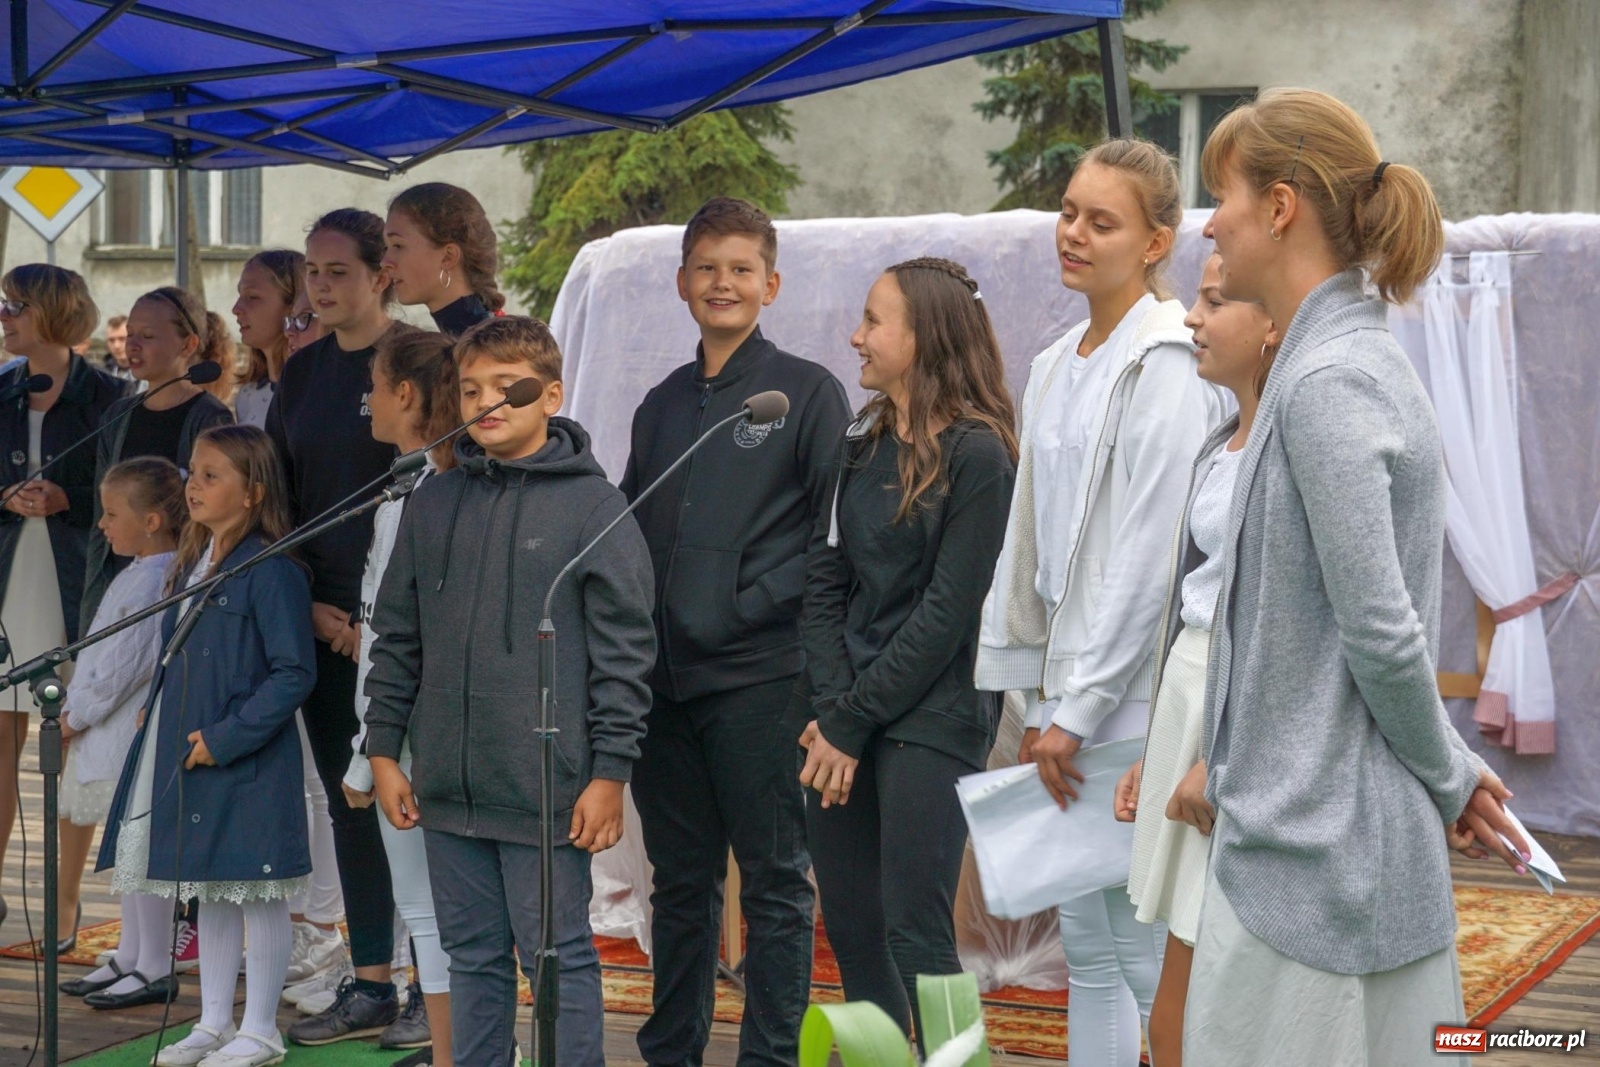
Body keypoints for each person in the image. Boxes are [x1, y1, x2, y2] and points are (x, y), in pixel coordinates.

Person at [1181, 87, 1526, 1067]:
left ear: (1281, 205)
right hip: (1326, 848)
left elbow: (1379, 629)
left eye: (1226, 196)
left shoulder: (1329, 378)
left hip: (1316, 867)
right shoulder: (1328, 360)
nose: (1212, 223)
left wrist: (1451, 774)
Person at [973, 139, 1227, 1067]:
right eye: (1070, 210)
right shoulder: (1055, 361)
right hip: (1062, 687)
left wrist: (1079, 713)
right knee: (1088, 942)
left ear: (1158, 241)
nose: (1074, 232)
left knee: (1139, 943)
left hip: (1123, 694)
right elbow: (1030, 540)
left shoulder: (1163, 363)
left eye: (1102, 220)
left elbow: (1149, 557)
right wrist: (1033, 691)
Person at [364, 316, 655, 1067]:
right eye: (470, 389)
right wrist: (385, 750)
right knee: (472, 958)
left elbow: (627, 653)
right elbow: (397, 636)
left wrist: (610, 772)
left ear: (550, 394)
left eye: (506, 387)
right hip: (449, 789)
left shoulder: (595, 508)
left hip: (548, 791)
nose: (486, 402)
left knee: (556, 958)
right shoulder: (432, 502)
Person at [622, 196, 849, 1067]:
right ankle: (669, 1051)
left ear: (771, 284)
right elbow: (638, 529)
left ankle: (771, 1056)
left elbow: (835, 540)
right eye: (708, 267)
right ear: (682, 282)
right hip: (664, 690)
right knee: (678, 884)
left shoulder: (804, 393)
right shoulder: (660, 403)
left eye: (742, 268)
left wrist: (744, 602)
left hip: (761, 679)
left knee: (776, 884)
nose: (724, 282)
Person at [798, 257, 1017, 1053]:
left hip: (933, 716)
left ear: (924, 338)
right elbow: (822, 579)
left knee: (916, 933)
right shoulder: (859, 437)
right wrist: (832, 713)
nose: (855, 337)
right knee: (853, 931)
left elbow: (947, 615)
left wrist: (850, 721)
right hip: (843, 717)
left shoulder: (981, 456)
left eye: (873, 321)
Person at [97, 424, 317, 1067]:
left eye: (211, 475)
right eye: (192, 471)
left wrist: (225, 738)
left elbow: (293, 673)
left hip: (240, 755)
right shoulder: (198, 561)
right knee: (213, 886)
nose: (193, 484)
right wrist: (156, 706)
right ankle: (216, 1021)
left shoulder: (272, 568)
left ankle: (261, 1030)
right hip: (189, 745)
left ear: (252, 492)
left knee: (258, 888)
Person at [1105, 252, 1276, 1066]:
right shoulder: (1221, 440)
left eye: (1214, 300)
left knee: (1206, 955)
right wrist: (1156, 749)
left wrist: (1219, 753)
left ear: (1274, 322)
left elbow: (1280, 624)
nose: (1193, 318)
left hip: (1230, 709)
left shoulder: (1283, 451)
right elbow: (1191, 604)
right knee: (1179, 947)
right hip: (1188, 698)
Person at [265, 207, 407, 1043]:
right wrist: (308, 603)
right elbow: (280, 499)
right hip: (316, 618)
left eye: (338, 272)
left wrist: (375, 616)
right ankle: (374, 981)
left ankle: (435, 979)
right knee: (351, 803)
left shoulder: (413, 359)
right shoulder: (302, 370)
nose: (321, 287)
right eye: (312, 273)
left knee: (406, 799)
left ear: (380, 273)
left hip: (396, 620)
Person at [232, 248, 352, 996]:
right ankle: (303, 922)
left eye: (257, 297)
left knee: (333, 777)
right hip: (277, 589)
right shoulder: (256, 396)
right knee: (299, 770)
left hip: (331, 596)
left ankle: (328, 926)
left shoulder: (326, 384)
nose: (241, 310)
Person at [342, 326, 460, 1065]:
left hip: (410, 743)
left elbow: (390, 640)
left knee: (431, 911)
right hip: (417, 734)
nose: (367, 401)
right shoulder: (413, 491)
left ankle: (461, 1052)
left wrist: (368, 752)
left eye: (375, 386)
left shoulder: (413, 503)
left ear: (407, 395)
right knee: (439, 916)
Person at [0, 264, 128, 921]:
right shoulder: (1, 389)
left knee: (70, 730)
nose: (4, 316)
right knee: (1, 728)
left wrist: (68, 498)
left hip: (77, 578)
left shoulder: (110, 396)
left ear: (51, 312)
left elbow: (128, 492)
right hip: (9, 573)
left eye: (14, 305)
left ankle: (67, 899)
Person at [51, 457, 183, 999]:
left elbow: (124, 664)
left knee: (140, 851)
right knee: (128, 851)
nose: (101, 525)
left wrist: (74, 716)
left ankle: (153, 963)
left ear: (151, 521)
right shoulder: (137, 572)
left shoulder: (158, 578)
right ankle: (131, 952)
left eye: (111, 514)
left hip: (123, 735)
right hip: (105, 733)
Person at [81, 287, 234, 635]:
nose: (133, 345)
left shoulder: (209, 418)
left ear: (188, 345)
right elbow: (98, 518)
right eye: (130, 334)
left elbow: (213, 517)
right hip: (119, 578)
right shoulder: (117, 416)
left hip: (175, 584)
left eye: (147, 336)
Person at [382, 183, 503, 336]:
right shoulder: (476, 338)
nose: (385, 262)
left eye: (398, 246)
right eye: (387, 248)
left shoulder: (484, 350)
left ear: (448, 256)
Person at [233, 250, 305, 430]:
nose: (236, 308)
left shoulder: (315, 393)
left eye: (253, 297)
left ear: (293, 306)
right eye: (240, 295)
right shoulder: (247, 396)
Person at [104, 314, 132, 379]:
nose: (116, 346)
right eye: (111, 340)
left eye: (122, 339)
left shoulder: (153, 374)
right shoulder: (102, 375)